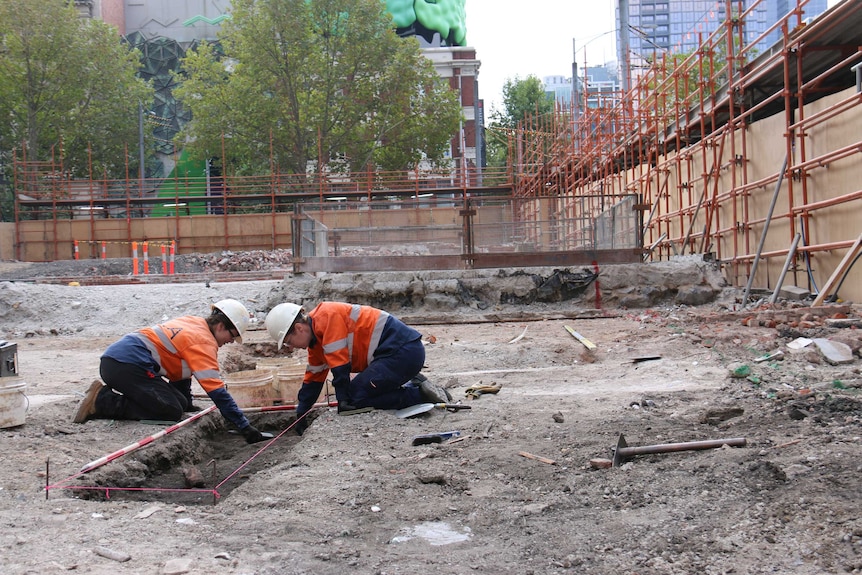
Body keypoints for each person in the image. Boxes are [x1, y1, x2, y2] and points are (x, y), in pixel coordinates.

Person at [73, 298, 271, 444]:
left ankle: (117, 398)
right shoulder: (203, 342)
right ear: (220, 326)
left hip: (122, 362)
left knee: (181, 404)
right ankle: (102, 401)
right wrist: (245, 427)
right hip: (126, 365)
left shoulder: (195, 323)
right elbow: (218, 392)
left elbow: (181, 368)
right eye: (232, 335)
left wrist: (187, 402)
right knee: (170, 410)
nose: (230, 341)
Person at [264, 301, 450, 433]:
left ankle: (418, 395)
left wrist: (344, 400)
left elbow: (340, 365)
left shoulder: (327, 316)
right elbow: (313, 380)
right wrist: (301, 412)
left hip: (403, 353)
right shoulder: (315, 342)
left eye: (289, 342)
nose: (291, 347)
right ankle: (416, 385)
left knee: (355, 398)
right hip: (396, 355)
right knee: (354, 396)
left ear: (299, 328)